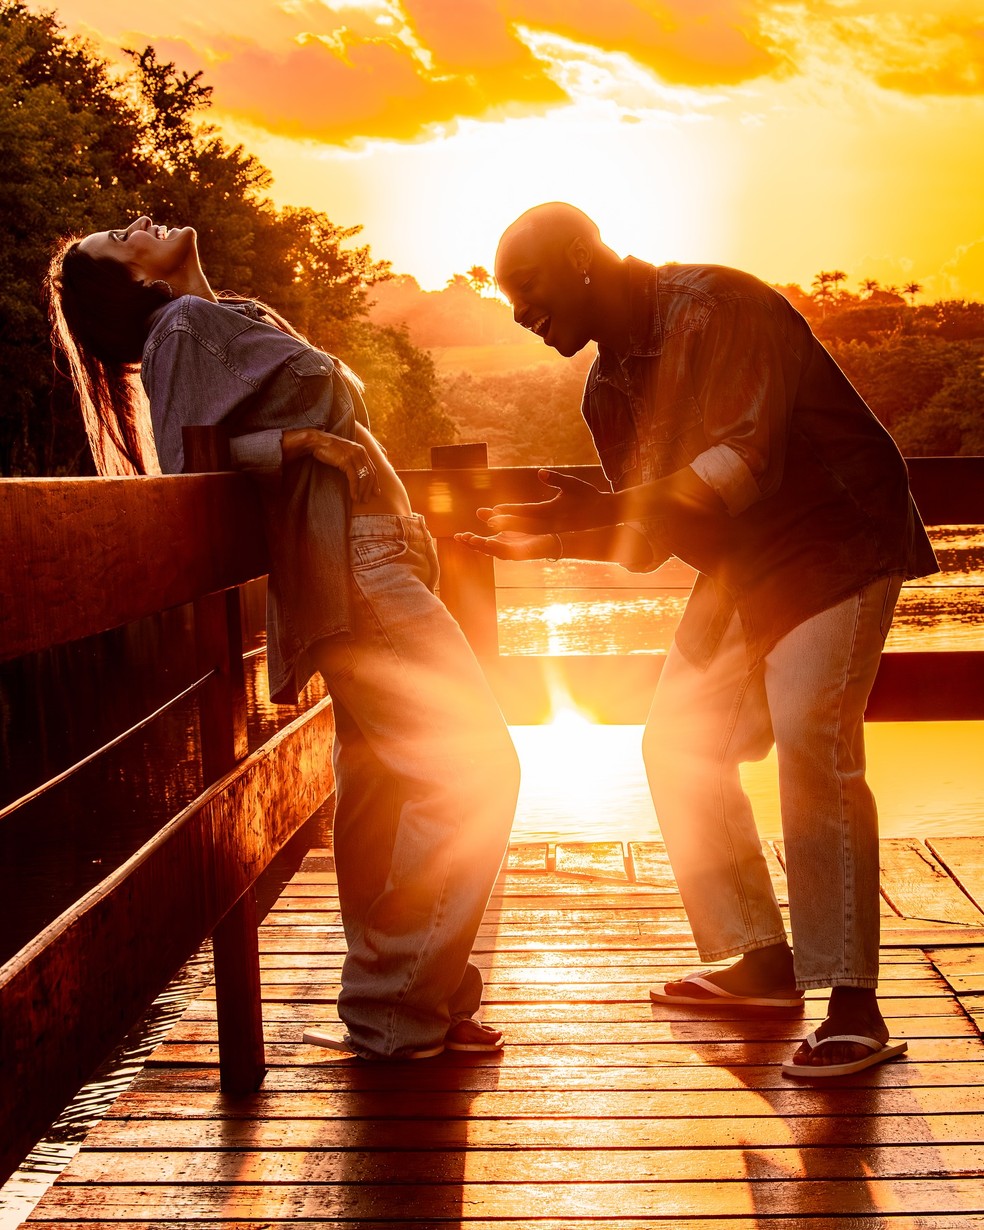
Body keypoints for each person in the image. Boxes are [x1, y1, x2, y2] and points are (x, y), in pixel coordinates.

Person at [458, 202, 937, 1078]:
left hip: (836, 538)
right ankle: (760, 960)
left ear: (582, 256)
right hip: (748, 565)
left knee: (812, 741)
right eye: (508, 301)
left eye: (527, 288)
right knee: (677, 741)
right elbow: (645, 543)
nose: (520, 314)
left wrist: (604, 511)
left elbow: (741, 464)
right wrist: (550, 534)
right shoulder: (606, 388)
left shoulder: (718, 306)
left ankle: (853, 1005)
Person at [47, 214, 519, 1061]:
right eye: (119, 240)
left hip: (375, 551)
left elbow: (213, 435)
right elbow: (192, 468)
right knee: (477, 766)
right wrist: (294, 441)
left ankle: (415, 996)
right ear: (129, 284)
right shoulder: (182, 327)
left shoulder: (226, 315)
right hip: (356, 563)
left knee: (383, 784)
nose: (136, 223)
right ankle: (397, 1001)